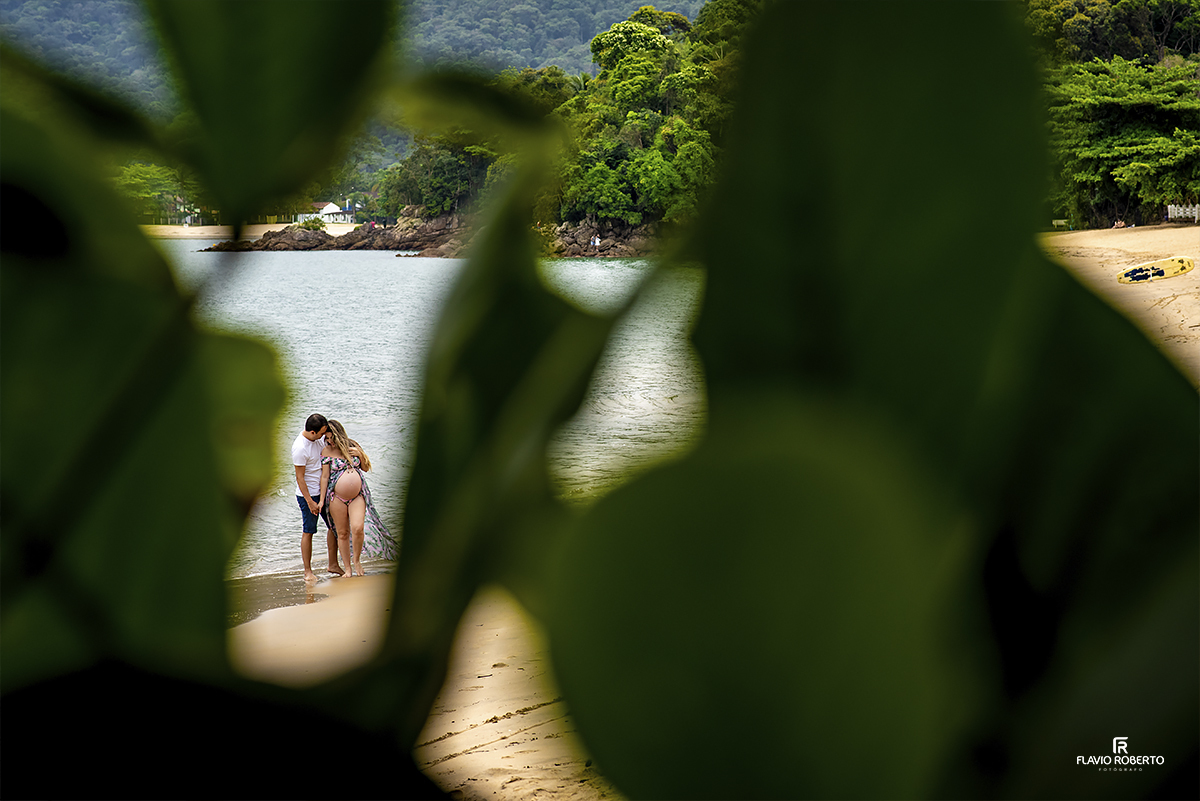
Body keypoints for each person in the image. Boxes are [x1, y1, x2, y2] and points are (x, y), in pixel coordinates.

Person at [318, 419, 399, 576]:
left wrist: (360, 455)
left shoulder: (353, 445)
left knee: (357, 528)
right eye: (326, 438)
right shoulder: (326, 451)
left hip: (357, 497)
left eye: (331, 437)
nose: (329, 441)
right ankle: (348, 568)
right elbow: (324, 477)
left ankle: (357, 561)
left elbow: (366, 468)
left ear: (338, 434)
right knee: (342, 533)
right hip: (337, 497)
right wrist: (322, 500)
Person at [292, 413, 342, 582]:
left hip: (324, 490)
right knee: (309, 531)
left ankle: (333, 564)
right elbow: (300, 478)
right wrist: (310, 502)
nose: (323, 436)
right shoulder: (300, 448)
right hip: (308, 495)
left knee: (334, 526)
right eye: (321, 433)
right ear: (312, 432)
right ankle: (307, 571)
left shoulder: (318, 439)